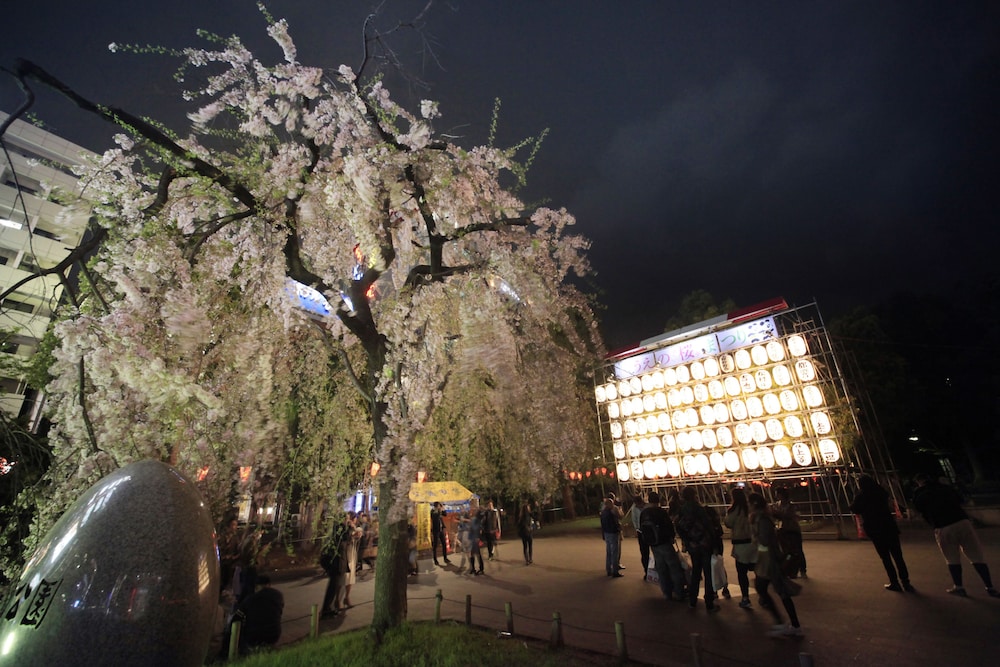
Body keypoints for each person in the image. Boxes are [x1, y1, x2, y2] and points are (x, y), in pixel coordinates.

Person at [912, 473, 999, 598]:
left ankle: (959, 586)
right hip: (962, 521)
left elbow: (918, 509)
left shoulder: (920, 494)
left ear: (919, 481)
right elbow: (961, 500)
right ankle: (990, 587)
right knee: (976, 556)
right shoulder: (945, 488)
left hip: (943, 526)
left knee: (952, 558)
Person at [748, 492, 803, 637]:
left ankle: (785, 623)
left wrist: (755, 537)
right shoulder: (761, 518)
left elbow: (765, 541)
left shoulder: (763, 520)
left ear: (753, 505)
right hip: (766, 559)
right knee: (774, 590)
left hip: (769, 560)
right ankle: (789, 623)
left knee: (773, 590)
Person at [850, 475, 913, 592]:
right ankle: (906, 582)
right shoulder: (880, 491)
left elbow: (855, 508)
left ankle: (894, 582)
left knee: (886, 557)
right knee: (898, 556)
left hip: (875, 529)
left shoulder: (862, 496)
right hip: (889, 526)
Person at [674, 487, 719, 611]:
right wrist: (714, 543)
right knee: (708, 572)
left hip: (692, 545)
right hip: (704, 544)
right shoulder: (699, 509)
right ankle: (709, 602)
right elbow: (708, 526)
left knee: (695, 572)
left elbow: (679, 527)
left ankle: (693, 600)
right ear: (694, 495)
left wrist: (687, 541)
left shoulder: (682, 510)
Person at [638, 491, 687, 601]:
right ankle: (679, 591)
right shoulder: (660, 512)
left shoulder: (644, 513)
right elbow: (669, 526)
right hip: (665, 542)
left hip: (653, 544)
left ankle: (666, 592)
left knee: (661, 568)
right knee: (674, 567)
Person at [233, 575, 284, 655]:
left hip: (254, 636)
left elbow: (237, 618)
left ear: (256, 587)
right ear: (269, 584)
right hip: (274, 634)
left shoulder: (250, 599)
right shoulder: (278, 595)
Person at [725, 487, 757, 608]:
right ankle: (763, 596)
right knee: (757, 569)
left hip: (740, 544)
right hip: (753, 543)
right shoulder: (750, 508)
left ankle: (745, 598)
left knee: (742, 573)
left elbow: (728, 523)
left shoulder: (733, 510)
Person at [772, 487, 807, 578]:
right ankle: (790, 570)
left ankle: (802, 569)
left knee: (797, 550)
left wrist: (779, 514)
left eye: (777, 494)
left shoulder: (790, 505)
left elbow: (790, 515)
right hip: (783, 529)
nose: (776, 496)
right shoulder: (777, 505)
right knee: (786, 551)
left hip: (792, 529)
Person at [319, 515, 348, 617]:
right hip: (336, 566)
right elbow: (345, 539)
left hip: (336, 565)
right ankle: (326, 609)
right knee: (332, 588)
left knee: (333, 587)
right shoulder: (339, 535)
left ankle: (328, 608)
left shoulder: (334, 534)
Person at [600, 497, 624, 577]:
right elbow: (615, 523)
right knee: (614, 553)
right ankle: (615, 571)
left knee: (609, 552)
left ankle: (608, 569)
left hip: (607, 533)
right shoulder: (611, 513)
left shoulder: (603, 513)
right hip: (613, 533)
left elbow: (602, 525)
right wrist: (619, 528)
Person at [629, 494, 650, 576]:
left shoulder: (647, 507)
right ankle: (646, 571)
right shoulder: (634, 509)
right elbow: (634, 520)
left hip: (650, 531)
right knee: (644, 552)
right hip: (641, 532)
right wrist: (638, 528)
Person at [466, 504, 485, 575]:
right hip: (473, 538)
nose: (472, 511)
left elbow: (477, 528)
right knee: (473, 554)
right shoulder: (474, 519)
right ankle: (473, 568)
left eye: (473, 510)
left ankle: (480, 569)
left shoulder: (477, 519)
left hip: (475, 538)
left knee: (477, 554)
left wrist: (477, 537)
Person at [431, 502, 451, 566]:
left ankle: (445, 558)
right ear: (437, 506)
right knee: (435, 545)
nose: (440, 506)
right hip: (436, 531)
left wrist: (443, 508)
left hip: (441, 530)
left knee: (444, 544)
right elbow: (435, 517)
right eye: (439, 505)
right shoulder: (433, 511)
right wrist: (439, 510)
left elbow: (445, 514)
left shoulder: (439, 511)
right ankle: (435, 559)